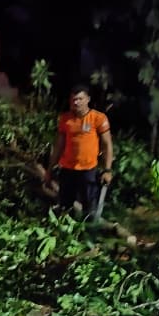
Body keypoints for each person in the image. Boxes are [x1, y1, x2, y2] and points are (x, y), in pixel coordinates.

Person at [45, 85, 114, 217]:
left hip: (88, 170)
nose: (76, 102)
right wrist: (49, 169)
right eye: (73, 100)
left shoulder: (98, 118)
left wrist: (107, 170)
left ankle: (87, 234)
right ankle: (65, 234)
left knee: (89, 209)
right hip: (67, 169)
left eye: (79, 99)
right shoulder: (66, 119)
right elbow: (59, 145)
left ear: (87, 99)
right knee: (65, 207)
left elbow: (107, 145)